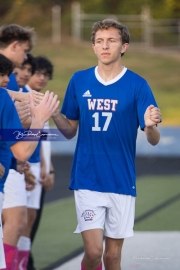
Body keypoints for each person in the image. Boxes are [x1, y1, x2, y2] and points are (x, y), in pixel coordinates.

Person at [52, 18, 161, 270]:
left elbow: (153, 140)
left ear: (124, 46)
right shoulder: (79, 80)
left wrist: (151, 126)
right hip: (87, 178)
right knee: (93, 252)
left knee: (112, 258)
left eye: (111, 40)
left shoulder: (138, 85)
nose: (105, 46)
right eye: (99, 41)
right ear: (93, 47)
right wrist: (56, 114)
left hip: (121, 180)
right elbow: (69, 132)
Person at [0, 24, 59, 270]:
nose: (26, 59)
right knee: (16, 221)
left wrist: (17, 163)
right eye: (25, 52)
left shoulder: (8, 90)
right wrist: (37, 118)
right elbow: (19, 142)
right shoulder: (6, 89)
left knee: (22, 219)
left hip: (11, 163)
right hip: (12, 161)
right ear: (15, 46)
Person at [15, 56, 55, 270]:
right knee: (15, 222)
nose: (40, 78)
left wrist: (48, 168)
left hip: (37, 167)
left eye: (45, 75)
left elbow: (45, 138)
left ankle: (22, 265)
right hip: (20, 165)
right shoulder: (19, 96)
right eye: (36, 72)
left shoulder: (40, 100)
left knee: (29, 222)